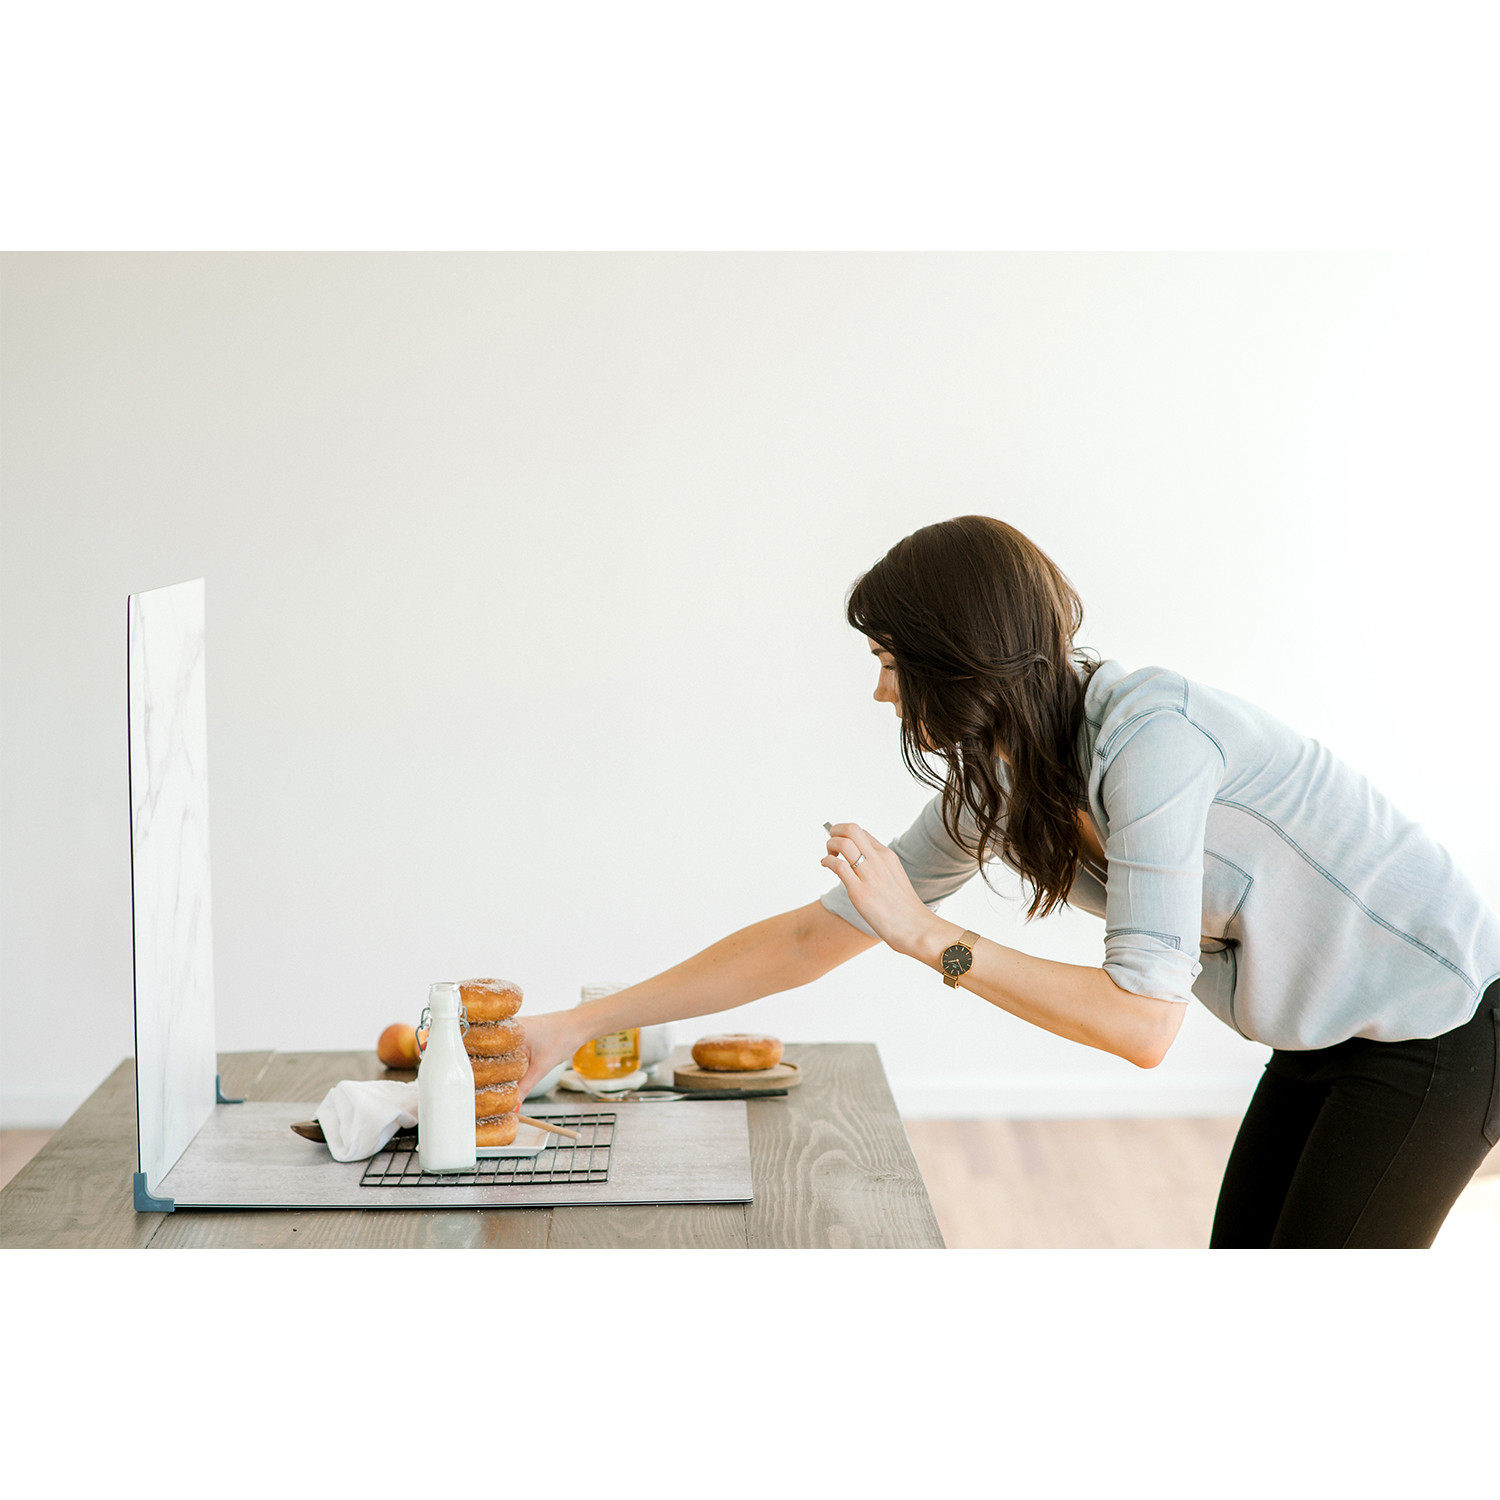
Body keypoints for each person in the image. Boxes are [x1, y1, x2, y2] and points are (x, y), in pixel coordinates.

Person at [517, 515, 1500, 1248]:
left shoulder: (1153, 739)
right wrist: (575, 1027)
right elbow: (814, 935)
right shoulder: (1004, 779)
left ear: (960, 658)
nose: (880, 692)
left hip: (1442, 1024)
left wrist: (927, 939)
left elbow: (1141, 1027)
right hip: (1323, 1037)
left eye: (891, 662)